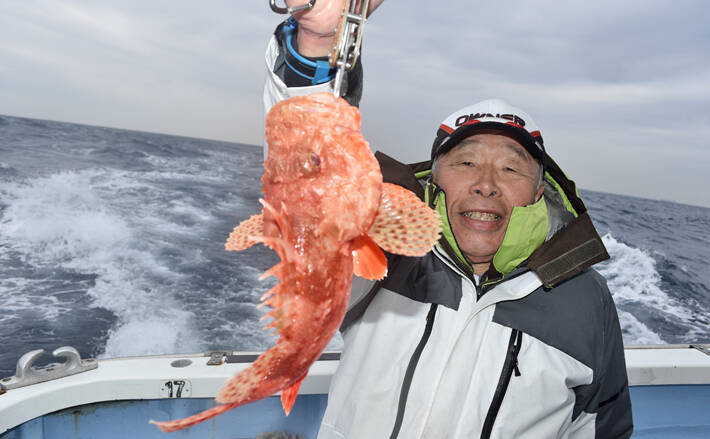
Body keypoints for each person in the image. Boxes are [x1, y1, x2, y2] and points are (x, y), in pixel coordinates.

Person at [264, 1, 633, 437]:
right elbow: (307, 186)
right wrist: (318, 42)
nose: (486, 184)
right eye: (466, 163)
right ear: (433, 179)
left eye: (510, 168)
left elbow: (602, 427)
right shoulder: (383, 248)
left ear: (539, 192)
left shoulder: (587, 301)